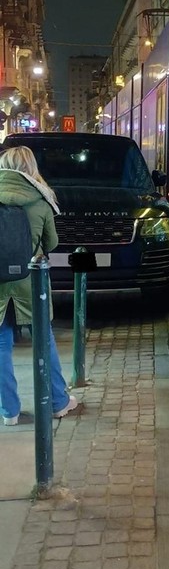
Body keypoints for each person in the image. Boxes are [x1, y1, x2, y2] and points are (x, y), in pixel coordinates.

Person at [0, 145, 78, 425]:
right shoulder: (40, 198)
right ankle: (58, 402)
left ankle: (9, 411)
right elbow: (52, 243)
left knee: (0, 345)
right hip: (30, 281)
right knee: (43, 339)